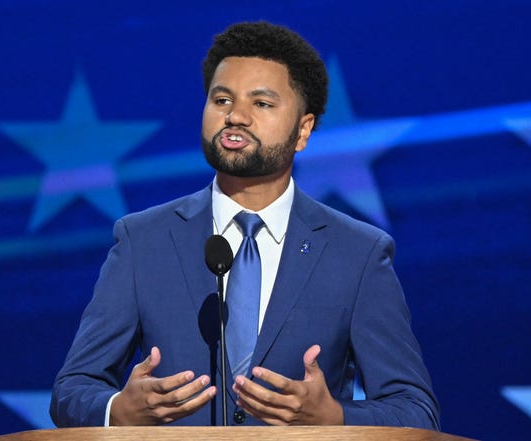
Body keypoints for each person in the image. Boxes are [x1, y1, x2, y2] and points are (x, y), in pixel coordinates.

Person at [50, 21, 440, 429]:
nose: (236, 116)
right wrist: (118, 410)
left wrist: (334, 416)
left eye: (262, 104)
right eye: (221, 99)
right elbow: (73, 390)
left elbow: (415, 410)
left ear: (303, 130)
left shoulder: (358, 253)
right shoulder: (142, 240)